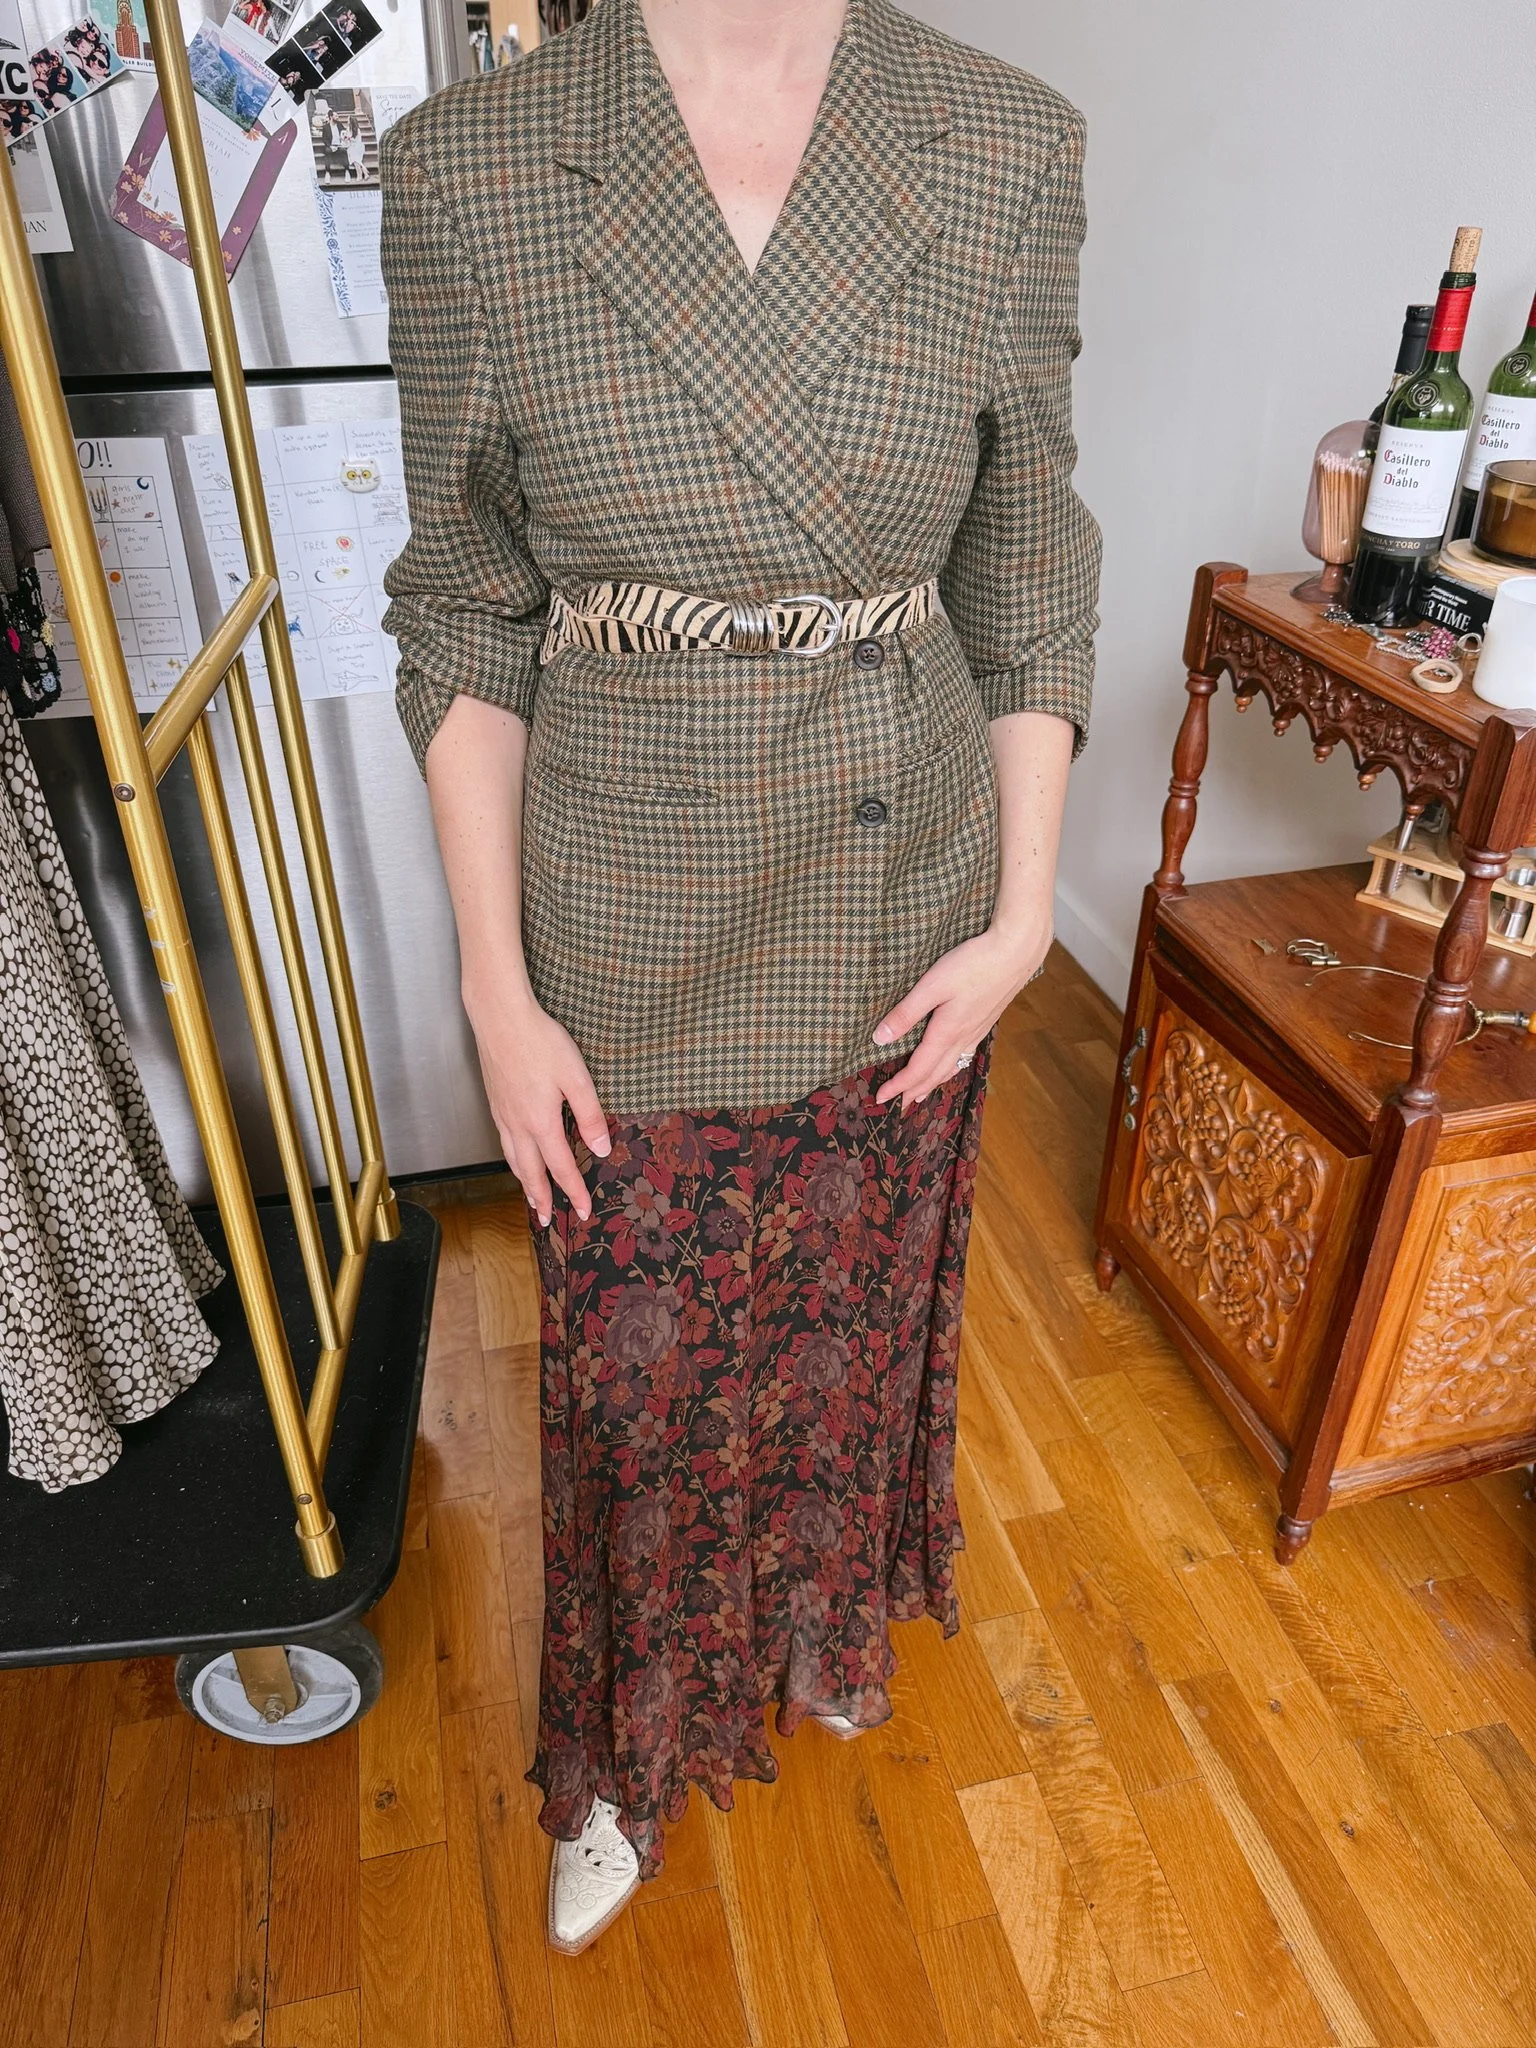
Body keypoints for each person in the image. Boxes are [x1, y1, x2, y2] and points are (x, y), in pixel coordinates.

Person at [380, 0, 1099, 1957]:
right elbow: (466, 614)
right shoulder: (472, 168)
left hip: (905, 888)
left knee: (851, 1312)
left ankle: (811, 1615)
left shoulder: (1005, 139)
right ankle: (627, 1749)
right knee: (640, 1379)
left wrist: (1026, 909)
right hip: (632, 908)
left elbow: (1027, 567)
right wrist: (493, 988)